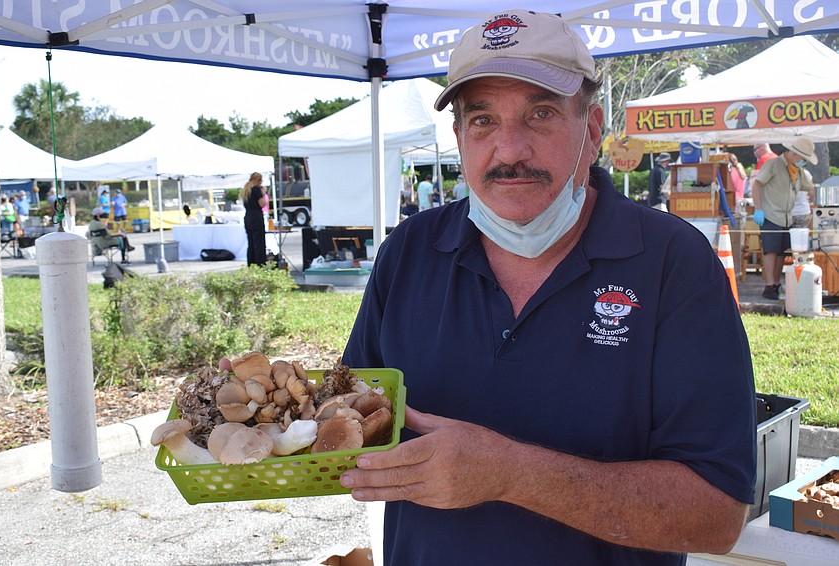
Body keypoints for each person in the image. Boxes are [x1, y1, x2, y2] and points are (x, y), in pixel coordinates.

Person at [339, 9, 756, 566]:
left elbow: (715, 516)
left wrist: (510, 474)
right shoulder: (407, 254)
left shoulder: (672, 262)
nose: (509, 151)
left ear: (590, 128)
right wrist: (245, 415)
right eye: (482, 120)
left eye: (540, 113)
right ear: (459, 136)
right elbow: (350, 418)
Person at [751, 137, 817, 300]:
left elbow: (810, 187)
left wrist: (814, 196)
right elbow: (757, 185)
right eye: (803, 158)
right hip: (770, 214)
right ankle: (769, 285)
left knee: (781, 252)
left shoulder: (798, 171)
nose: (803, 162)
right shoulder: (773, 164)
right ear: (794, 154)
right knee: (771, 251)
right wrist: (758, 209)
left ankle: (776, 284)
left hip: (787, 217)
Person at [240, 172, 267, 266]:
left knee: (251, 242)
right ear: (258, 180)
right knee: (259, 242)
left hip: (248, 216)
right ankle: (261, 264)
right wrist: (263, 194)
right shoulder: (256, 189)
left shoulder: (246, 190)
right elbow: (262, 204)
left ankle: (251, 264)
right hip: (256, 216)